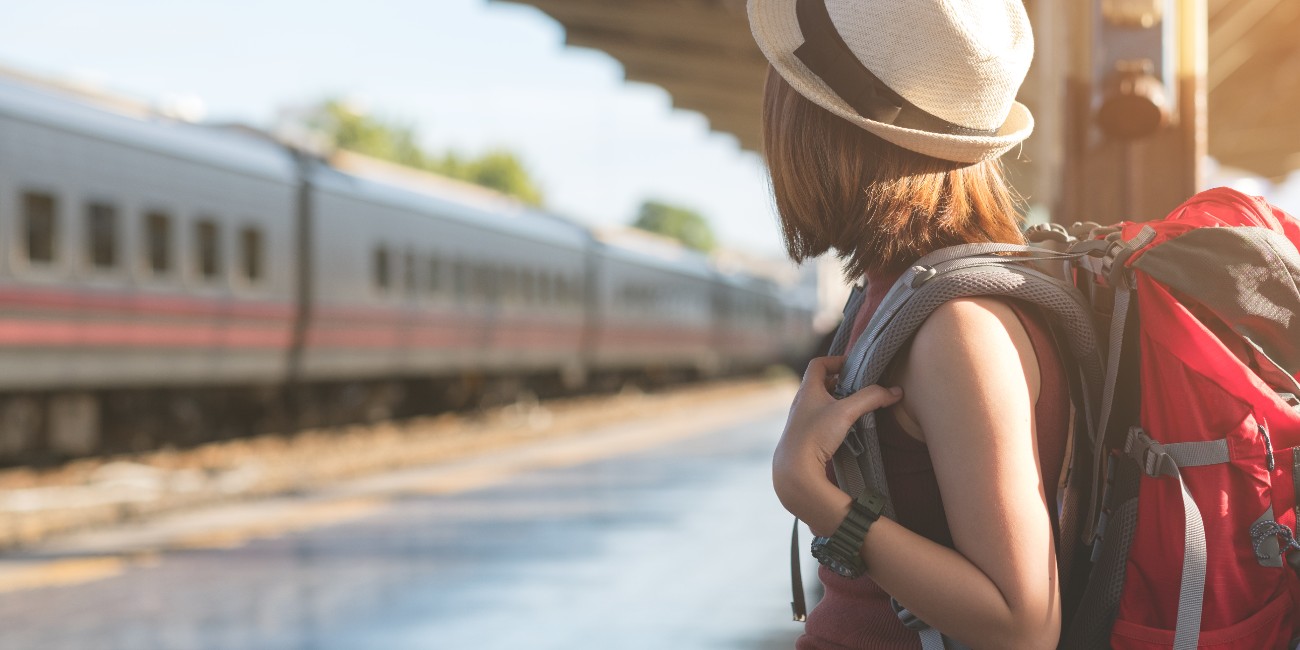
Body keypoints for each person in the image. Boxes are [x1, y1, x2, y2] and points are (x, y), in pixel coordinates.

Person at [750, 0, 1070, 648]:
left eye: (785, 80)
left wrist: (812, 494)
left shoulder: (959, 329)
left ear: (823, 126)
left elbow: (1022, 621)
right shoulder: (900, 295)